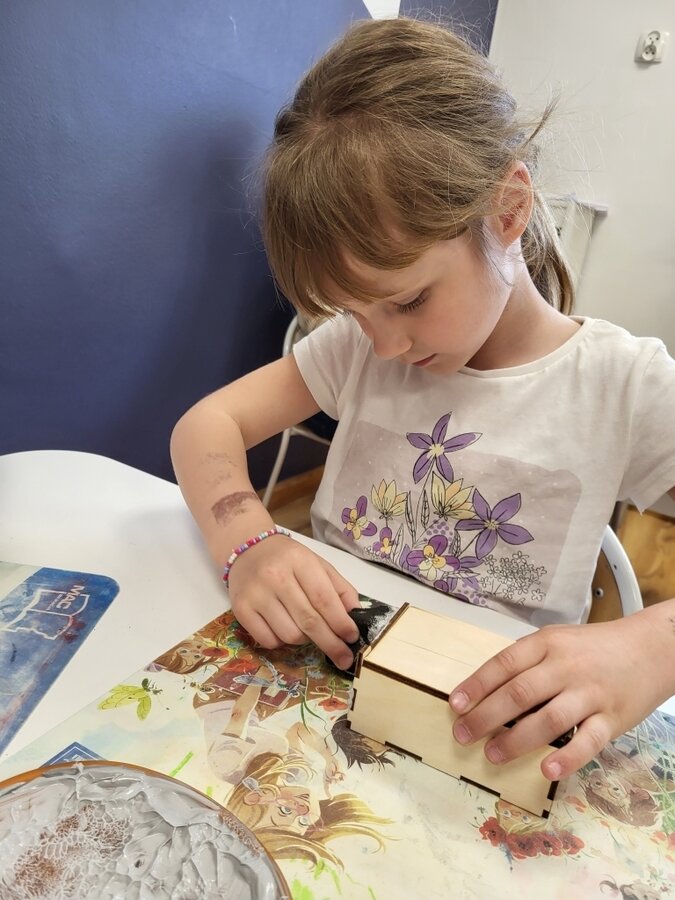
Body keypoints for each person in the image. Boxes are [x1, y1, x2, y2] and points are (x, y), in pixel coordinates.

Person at [171, 17, 675, 784]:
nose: (381, 345)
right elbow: (207, 425)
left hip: (485, 752)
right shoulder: (357, 346)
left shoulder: (623, 386)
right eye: (353, 311)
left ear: (507, 211)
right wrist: (248, 542)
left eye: (406, 300)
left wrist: (650, 648)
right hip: (318, 724)